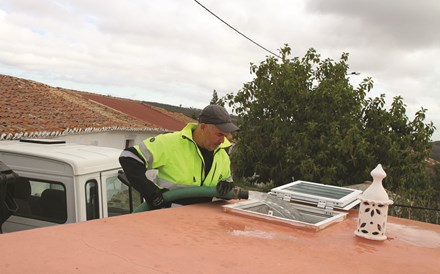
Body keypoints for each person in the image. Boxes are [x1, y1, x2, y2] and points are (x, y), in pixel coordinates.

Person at [119, 104, 239, 210]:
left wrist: (227, 185)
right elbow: (128, 157)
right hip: (168, 219)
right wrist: (151, 193)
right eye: (219, 135)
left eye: (225, 136)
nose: (222, 140)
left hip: (200, 223)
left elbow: (228, 181)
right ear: (203, 127)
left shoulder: (222, 155)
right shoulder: (170, 143)